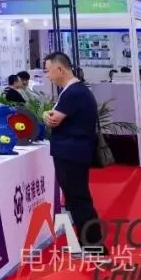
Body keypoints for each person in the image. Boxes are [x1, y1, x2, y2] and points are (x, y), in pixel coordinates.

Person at [42, 52, 105, 255]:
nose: (47, 76)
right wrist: (47, 115)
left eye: (48, 71)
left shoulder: (73, 92)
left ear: (60, 69)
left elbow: (53, 119)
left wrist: (45, 115)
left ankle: (94, 246)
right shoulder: (74, 90)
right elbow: (53, 116)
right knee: (76, 198)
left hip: (71, 154)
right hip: (73, 152)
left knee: (78, 199)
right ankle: (85, 243)